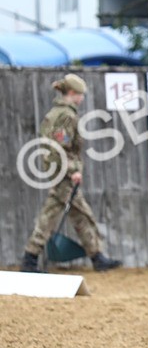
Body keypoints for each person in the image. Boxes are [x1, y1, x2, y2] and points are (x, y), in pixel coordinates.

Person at [20, 73, 122, 273]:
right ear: (72, 93)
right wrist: (72, 170)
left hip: (59, 171)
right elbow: (60, 148)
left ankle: (97, 256)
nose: (82, 98)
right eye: (81, 94)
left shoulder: (58, 113)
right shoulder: (65, 115)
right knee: (53, 215)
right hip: (63, 174)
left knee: (80, 215)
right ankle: (30, 259)